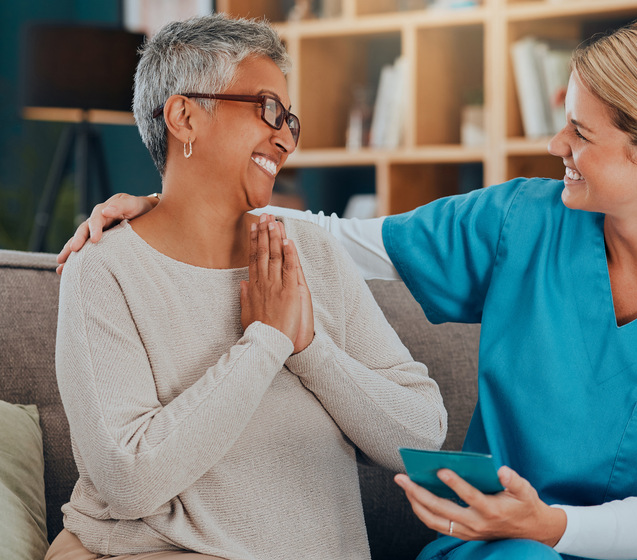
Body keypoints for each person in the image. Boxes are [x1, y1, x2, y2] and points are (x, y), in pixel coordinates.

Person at [59, 20, 637, 560]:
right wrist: (161, 205)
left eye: (581, 134)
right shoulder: (522, 220)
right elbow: (338, 236)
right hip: (495, 542)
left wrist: (550, 526)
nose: (557, 146)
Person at [48, 14, 447, 560]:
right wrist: (264, 343)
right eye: (267, 109)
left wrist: (307, 348)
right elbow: (127, 480)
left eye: (290, 120)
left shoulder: (313, 255)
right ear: (184, 116)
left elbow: (424, 436)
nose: (284, 136)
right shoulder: (105, 269)